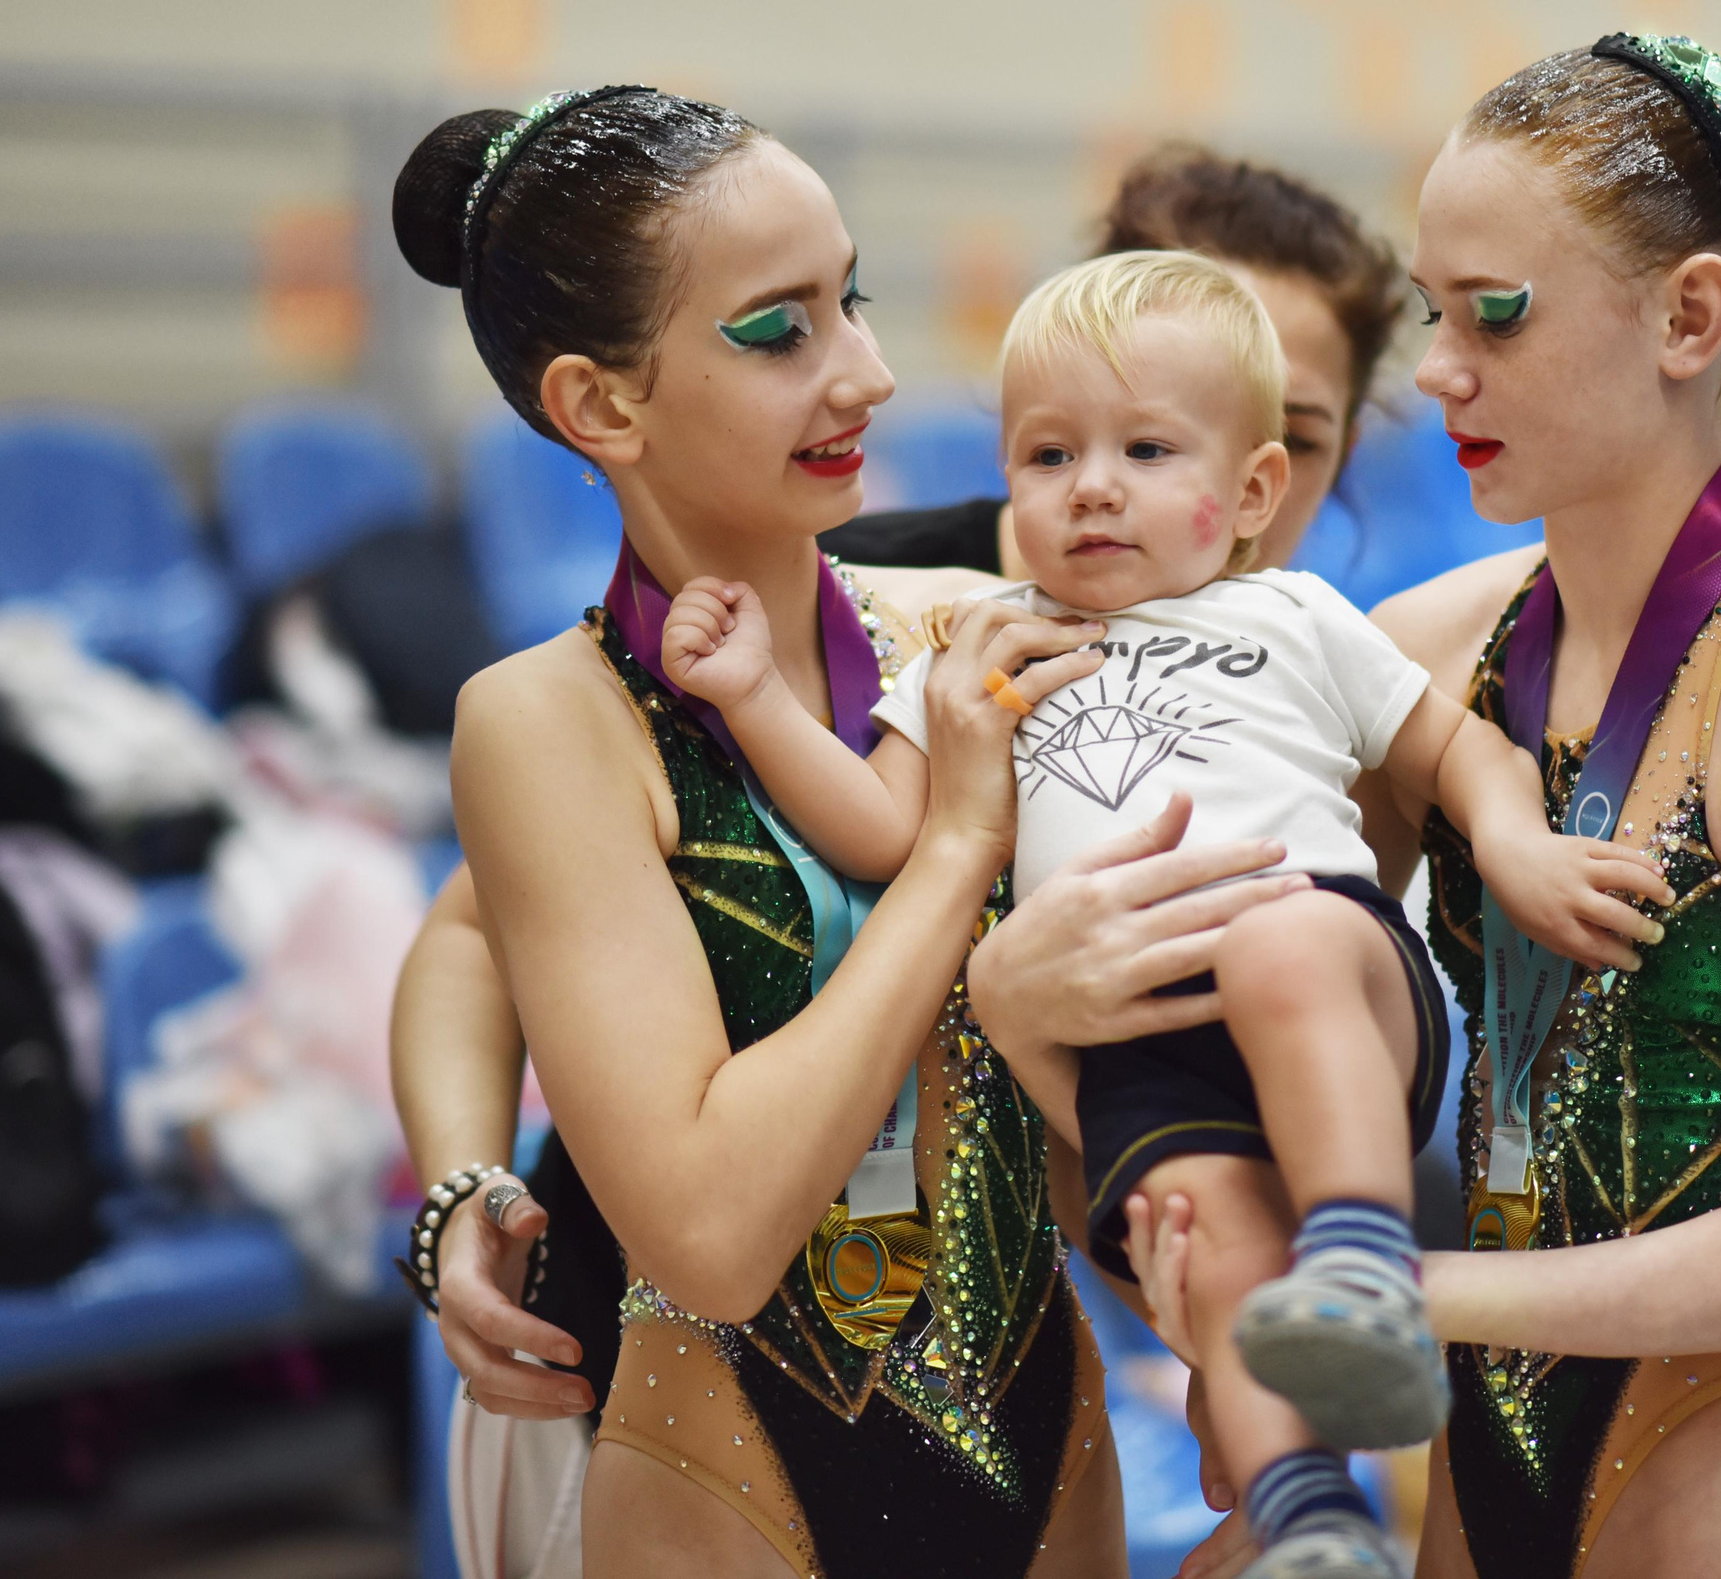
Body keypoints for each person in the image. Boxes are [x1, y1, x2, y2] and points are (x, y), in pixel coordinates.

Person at [1006, 33, 1721, 1579]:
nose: (1440, 371)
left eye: (1496, 316)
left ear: (1689, 314)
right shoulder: (1420, 649)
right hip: (1476, 1442)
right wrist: (1027, 1019)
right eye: (1435, 314)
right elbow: (1201, 1060)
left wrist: (1394, 1290)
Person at [386, 142, 1406, 1577]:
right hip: (716, 1426)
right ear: (601, 402)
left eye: (853, 302)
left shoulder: (998, 624)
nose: (867, 372)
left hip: (1041, 1419)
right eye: (784, 327)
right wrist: (458, 1188)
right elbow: (480, 946)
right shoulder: (558, 714)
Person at [662, 249, 1671, 1578]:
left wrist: (1519, 841)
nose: (1090, 485)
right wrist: (754, 704)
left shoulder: (1293, 613)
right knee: (1215, 1256)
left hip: (1333, 979)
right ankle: (1312, 1516)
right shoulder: (986, 644)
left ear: (1252, 491)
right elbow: (878, 828)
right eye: (1047, 453)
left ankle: (1364, 1252)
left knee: (1280, 942)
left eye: (1144, 449)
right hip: (1142, 1051)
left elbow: (1454, 750)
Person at [821, 144, 1400, 580]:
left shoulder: (1328, 670)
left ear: (1341, 457)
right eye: (1149, 439)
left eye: (1293, 436)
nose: (1237, 480)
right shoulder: (847, 589)